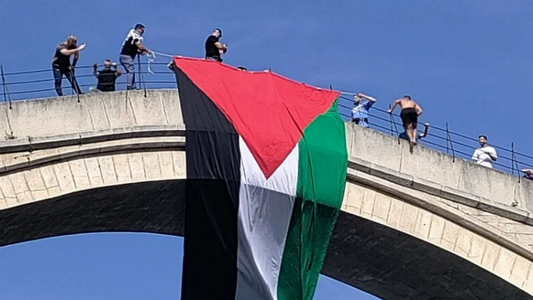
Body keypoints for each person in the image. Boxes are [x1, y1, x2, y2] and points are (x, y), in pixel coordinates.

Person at [119, 23, 151, 90]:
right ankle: (130, 86)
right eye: (142, 30)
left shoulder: (132, 37)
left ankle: (132, 86)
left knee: (131, 71)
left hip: (125, 56)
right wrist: (147, 50)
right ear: (139, 29)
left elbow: (133, 48)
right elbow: (139, 45)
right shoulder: (135, 36)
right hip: (126, 56)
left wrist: (140, 52)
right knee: (131, 71)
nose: (142, 32)